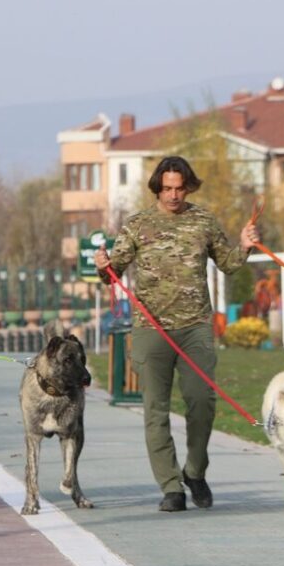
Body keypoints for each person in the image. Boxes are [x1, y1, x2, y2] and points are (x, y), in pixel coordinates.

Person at [94, 156, 258, 512]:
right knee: (156, 409)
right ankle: (171, 486)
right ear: (157, 187)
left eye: (179, 188)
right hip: (151, 329)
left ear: (188, 187)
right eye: (166, 188)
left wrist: (244, 245)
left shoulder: (202, 221)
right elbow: (113, 274)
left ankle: (195, 471)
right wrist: (103, 266)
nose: (173, 195)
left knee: (202, 402)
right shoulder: (137, 224)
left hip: (195, 326)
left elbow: (228, 264)